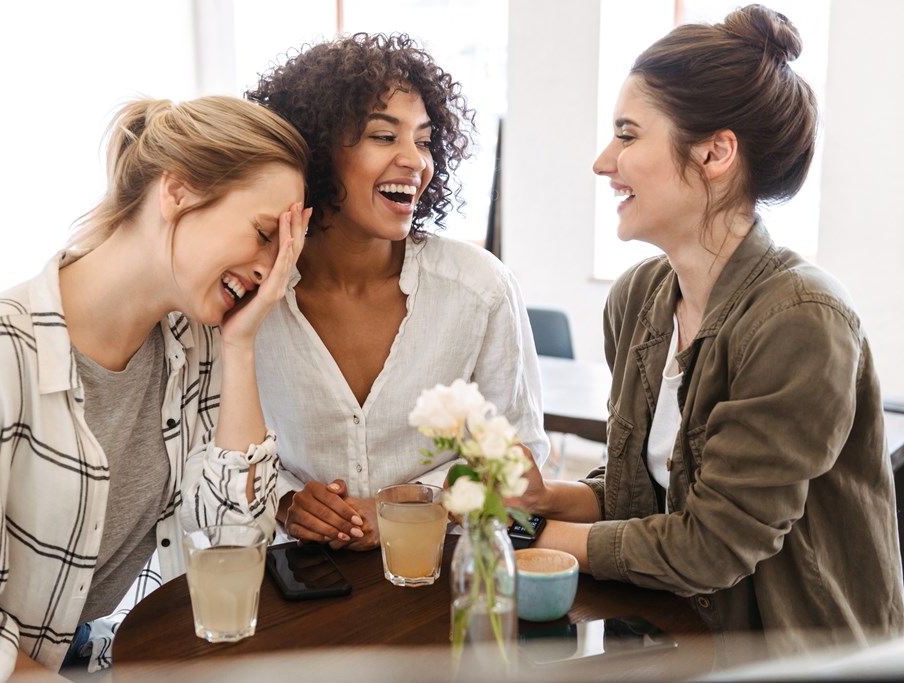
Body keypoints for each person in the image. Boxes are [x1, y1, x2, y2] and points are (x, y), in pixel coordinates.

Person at [515, 4, 904, 665]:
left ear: (716, 151)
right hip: (674, 632)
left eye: (628, 135)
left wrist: (552, 536)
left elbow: (711, 546)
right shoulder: (637, 299)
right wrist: (558, 497)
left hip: (799, 658)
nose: (603, 161)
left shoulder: (802, 320)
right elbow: (654, 493)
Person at [0, 95, 310, 681]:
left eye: (285, 252)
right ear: (178, 191)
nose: (272, 273)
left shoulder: (200, 342)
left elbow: (232, 545)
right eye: (265, 235)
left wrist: (241, 348)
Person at [245, 33, 549, 550]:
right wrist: (286, 501)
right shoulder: (251, 293)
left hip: (444, 570)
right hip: (298, 583)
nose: (415, 160)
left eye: (425, 140)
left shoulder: (478, 289)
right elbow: (209, 442)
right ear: (316, 151)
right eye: (384, 137)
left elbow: (521, 462)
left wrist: (413, 503)